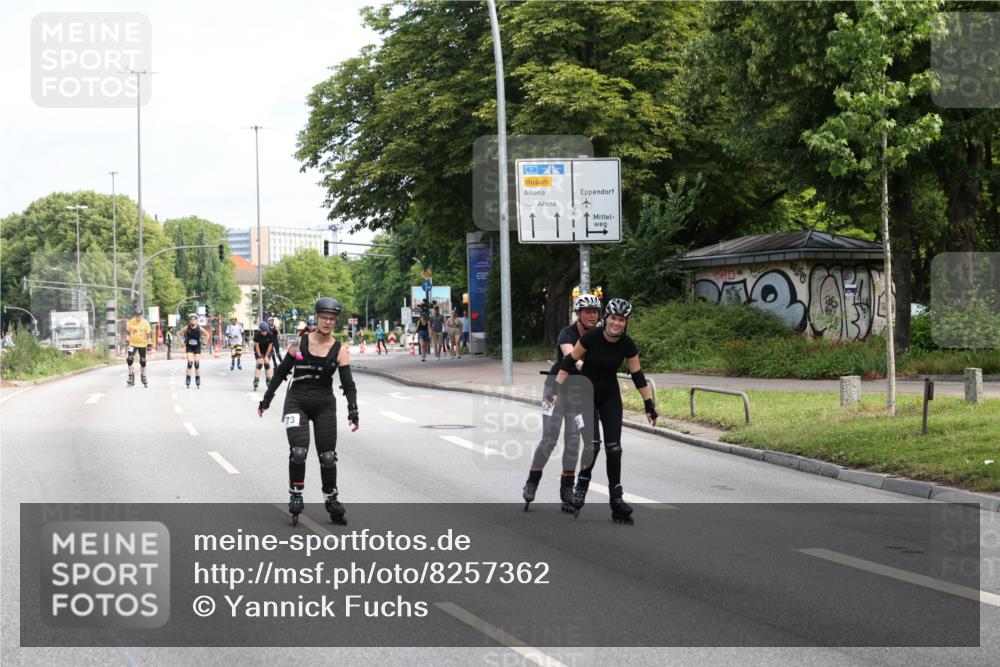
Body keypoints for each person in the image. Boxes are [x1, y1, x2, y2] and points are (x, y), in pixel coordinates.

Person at [548, 298, 658, 525]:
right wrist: (555, 390)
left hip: (610, 396)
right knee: (593, 445)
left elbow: (637, 376)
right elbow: (569, 362)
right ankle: (581, 487)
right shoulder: (591, 337)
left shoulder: (627, 344)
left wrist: (649, 405)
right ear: (606, 318)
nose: (617, 323)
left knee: (614, 448)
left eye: (622, 320)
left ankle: (616, 499)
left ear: (626, 323)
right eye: (614, 318)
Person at [258, 297, 359, 525]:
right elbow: (281, 372)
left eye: (332, 319)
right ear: (317, 318)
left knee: (327, 456)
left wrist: (353, 411)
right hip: (297, 402)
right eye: (324, 317)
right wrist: (266, 399)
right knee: (299, 452)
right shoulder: (299, 344)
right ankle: (295, 494)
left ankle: (331, 499)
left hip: (324, 404)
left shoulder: (339, 350)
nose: (327, 322)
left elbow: (348, 384)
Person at [522, 294, 601, 511]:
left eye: (595, 312)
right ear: (578, 314)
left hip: (579, 393)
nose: (592, 316)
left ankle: (567, 486)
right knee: (549, 437)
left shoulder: (599, 335)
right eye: (588, 312)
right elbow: (572, 358)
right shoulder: (567, 333)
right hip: (555, 389)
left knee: (573, 438)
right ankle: (532, 479)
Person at [179, 314, 210, 388]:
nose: (192, 320)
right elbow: (179, 334)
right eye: (191, 319)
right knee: (190, 363)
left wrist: (204, 343)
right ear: (189, 320)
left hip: (197, 347)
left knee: (196, 363)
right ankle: (188, 378)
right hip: (189, 347)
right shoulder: (186, 327)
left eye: (194, 319)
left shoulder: (199, 328)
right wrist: (181, 342)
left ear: (196, 320)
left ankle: (198, 378)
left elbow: (207, 335)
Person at [124, 307, 152, 387]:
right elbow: (128, 333)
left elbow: (149, 335)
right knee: (129, 359)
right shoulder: (131, 322)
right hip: (132, 344)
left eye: (139, 316)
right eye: (136, 316)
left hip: (142, 344)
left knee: (143, 361)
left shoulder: (145, 322)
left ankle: (143, 375)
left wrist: (149, 347)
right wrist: (127, 342)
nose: (138, 317)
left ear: (142, 315)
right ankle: (131, 376)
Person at [253, 321, 274, 392]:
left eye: (265, 331)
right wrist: (260, 356)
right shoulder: (257, 335)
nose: (264, 333)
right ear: (260, 330)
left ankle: (268, 379)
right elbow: (257, 346)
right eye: (263, 331)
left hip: (267, 350)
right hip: (259, 350)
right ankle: (256, 380)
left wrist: (266, 356)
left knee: (267, 362)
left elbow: (270, 346)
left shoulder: (270, 334)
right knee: (260, 363)